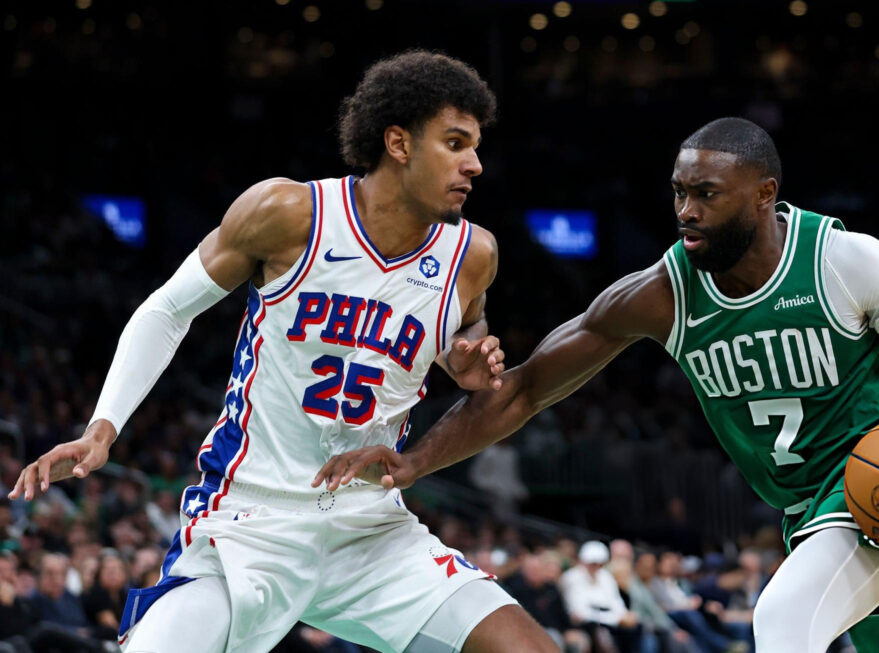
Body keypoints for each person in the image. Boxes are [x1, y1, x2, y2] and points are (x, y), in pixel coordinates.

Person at [322, 117, 879, 652]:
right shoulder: (661, 295)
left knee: (784, 619)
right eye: (679, 192)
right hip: (813, 511)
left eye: (707, 194)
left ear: (765, 194)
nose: (686, 211)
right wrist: (414, 460)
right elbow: (526, 389)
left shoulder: (845, 262)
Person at [8, 50, 556, 653]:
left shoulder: (473, 254)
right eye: (456, 143)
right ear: (398, 143)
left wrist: (466, 363)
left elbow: (460, 338)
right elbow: (167, 310)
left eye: (476, 146)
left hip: (369, 527)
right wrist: (102, 429)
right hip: (250, 521)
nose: (475, 165)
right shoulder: (291, 212)